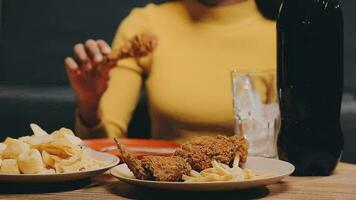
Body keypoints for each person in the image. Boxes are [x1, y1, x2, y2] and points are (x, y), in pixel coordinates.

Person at [64, 0, 281, 142]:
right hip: (170, 187)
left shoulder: (285, 30)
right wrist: (90, 104)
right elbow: (104, 145)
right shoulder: (147, 23)